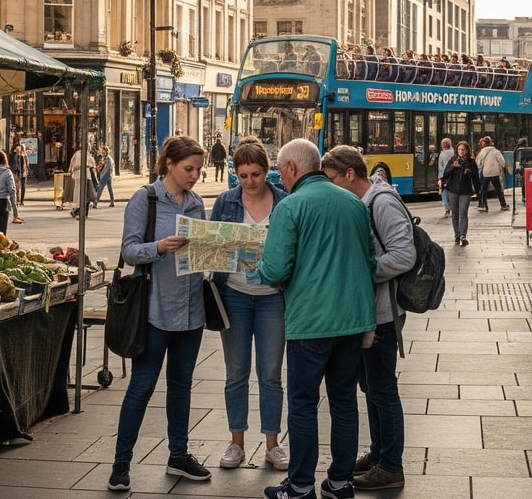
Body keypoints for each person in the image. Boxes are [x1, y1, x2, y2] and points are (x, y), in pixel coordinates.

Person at [255, 139, 375, 499]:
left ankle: (301, 484)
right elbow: (369, 262)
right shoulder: (354, 203)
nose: (280, 176)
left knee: (304, 403)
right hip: (353, 321)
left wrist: (260, 266)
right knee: (343, 401)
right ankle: (340, 482)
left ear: (291, 169)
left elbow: (275, 270)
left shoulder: (290, 207)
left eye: (280, 169)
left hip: (311, 322)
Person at [107, 136, 213, 492]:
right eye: (189, 169)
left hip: (191, 310)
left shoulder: (197, 203)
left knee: (181, 387)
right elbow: (129, 249)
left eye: (198, 169)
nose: (195, 175)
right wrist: (159, 248)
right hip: (154, 311)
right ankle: (121, 463)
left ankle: (178, 454)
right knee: (141, 387)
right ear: (169, 164)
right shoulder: (146, 198)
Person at [320, 146, 414, 491]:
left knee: (383, 389)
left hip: (383, 314)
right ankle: (378, 454)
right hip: (365, 311)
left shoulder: (382, 202)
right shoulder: (363, 201)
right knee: (371, 388)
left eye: (331, 179)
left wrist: (361, 270)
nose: (329, 187)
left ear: (349, 174)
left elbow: (404, 255)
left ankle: (391, 466)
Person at [208, 138, 290, 471]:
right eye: (243, 176)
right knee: (236, 373)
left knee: (270, 374)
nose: (250, 182)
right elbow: (211, 246)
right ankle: (236, 443)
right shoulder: (226, 203)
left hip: (273, 298)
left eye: (255, 174)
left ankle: (273, 444)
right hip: (235, 296)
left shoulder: (284, 201)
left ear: (266, 171)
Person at [439, 140, 479, 246]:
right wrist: (453, 167)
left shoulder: (471, 162)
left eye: (463, 150)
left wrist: (478, 191)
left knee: (463, 213)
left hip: (465, 191)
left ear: (467, 151)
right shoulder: (453, 160)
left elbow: (475, 177)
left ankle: (463, 236)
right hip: (453, 190)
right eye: (459, 149)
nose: (461, 152)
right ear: (457, 150)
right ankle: (456, 235)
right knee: (455, 214)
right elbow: (445, 174)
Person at [476, 136, 509, 211]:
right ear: (491, 143)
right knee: (498, 189)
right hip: (495, 173)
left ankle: (484, 206)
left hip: (486, 173)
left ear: (484, 144)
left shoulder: (482, 152)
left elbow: (478, 164)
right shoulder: (496, 151)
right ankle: (503, 205)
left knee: (483, 190)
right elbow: (502, 162)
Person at [8, 137, 28, 222]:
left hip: (18, 172)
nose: (19, 149)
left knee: (18, 187)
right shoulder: (12, 155)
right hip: (13, 172)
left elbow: (20, 164)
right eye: (18, 147)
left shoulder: (20, 155)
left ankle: (18, 201)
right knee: (14, 188)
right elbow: (12, 163)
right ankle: (15, 202)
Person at [91, 144, 116, 210]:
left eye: (103, 150)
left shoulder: (107, 158)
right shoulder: (105, 158)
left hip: (106, 175)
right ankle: (112, 201)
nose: (102, 152)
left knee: (100, 188)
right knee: (110, 188)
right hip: (109, 175)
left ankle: (95, 202)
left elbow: (106, 169)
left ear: (106, 151)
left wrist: (101, 175)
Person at [436, 137, 454, 214]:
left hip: (445, 176)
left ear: (442, 146)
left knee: (444, 192)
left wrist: (440, 178)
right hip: (453, 175)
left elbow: (441, 167)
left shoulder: (442, 154)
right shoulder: (454, 152)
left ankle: (447, 209)